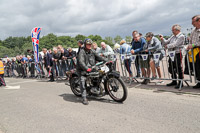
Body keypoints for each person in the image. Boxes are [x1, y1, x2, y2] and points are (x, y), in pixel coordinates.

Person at [77, 38, 107, 105]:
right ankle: (84, 98)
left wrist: (106, 60)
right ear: (85, 45)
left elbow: (98, 57)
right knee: (82, 81)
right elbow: (81, 62)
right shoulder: (81, 52)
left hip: (91, 68)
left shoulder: (92, 51)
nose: (89, 45)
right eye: (88, 44)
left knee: (99, 75)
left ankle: (95, 88)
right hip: (82, 69)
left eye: (90, 44)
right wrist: (86, 68)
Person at [160, 24, 185, 89]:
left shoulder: (181, 36)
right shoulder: (172, 36)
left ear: (177, 30)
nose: (172, 31)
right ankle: (174, 80)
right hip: (171, 54)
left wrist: (167, 46)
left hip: (177, 53)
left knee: (178, 68)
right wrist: (162, 39)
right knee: (170, 68)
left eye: (173, 30)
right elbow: (166, 42)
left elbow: (175, 44)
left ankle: (180, 82)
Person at [187, 15, 200, 88]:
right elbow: (190, 41)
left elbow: (194, 43)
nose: (192, 23)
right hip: (195, 52)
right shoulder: (193, 31)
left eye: (193, 22)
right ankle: (199, 81)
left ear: (199, 21)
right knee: (196, 67)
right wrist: (189, 46)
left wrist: (194, 45)